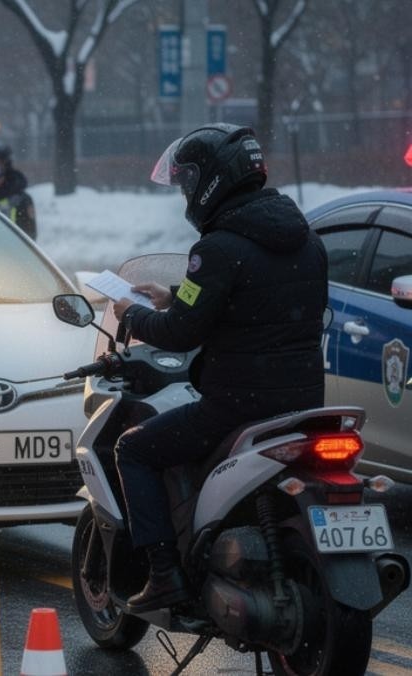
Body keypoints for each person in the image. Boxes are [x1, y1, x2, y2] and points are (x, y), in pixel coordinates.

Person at [110, 123, 327, 612]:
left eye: (188, 181)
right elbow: (242, 308)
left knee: (135, 450)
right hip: (304, 404)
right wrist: (172, 296)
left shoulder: (219, 248)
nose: (186, 192)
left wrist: (135, 314)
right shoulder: (307, 241)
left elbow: (183, 332)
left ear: (210, 182)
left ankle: (165, 575)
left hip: (236, 406)